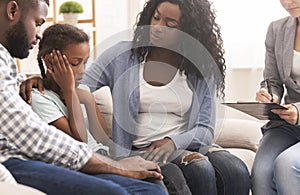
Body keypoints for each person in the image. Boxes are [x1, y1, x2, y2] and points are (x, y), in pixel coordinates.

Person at [20, 0, 251, 194]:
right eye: (156, 17)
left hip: (186, 144)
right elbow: (78, 80)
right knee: (200, 169)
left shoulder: (199, 67)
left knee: (234, 168)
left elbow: (205, 129)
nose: (158, 27)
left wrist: (173, 141)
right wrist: (39, 77)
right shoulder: (123, 55)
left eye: (170, 24)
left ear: (188, 30)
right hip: (140, 148)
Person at [0, 0, 167, 194]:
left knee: (152, 186)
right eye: (37, 23)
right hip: (15, 159)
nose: (38, 34)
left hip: (36, 156)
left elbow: (103, 139)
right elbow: (30, 132)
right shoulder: (40, 98)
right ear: (12, 11)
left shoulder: (8, 64)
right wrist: (116, 166)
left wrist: (30, 79)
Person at [31, 23, 110, 155]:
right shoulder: (39, 98)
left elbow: (102, 139)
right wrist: (70, 92)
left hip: (104, 156)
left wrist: (89, 100)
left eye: (85, 62)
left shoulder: (81, 90)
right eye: (75, 63)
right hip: (86, 163)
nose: (82, 71)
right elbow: (80, 140)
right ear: (50, 61)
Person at [252, 0, 300, 194]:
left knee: (286, 164)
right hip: (288, 124)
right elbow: (272, 79)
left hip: (296, 113)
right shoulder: (277, 29)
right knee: (261, 172)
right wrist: (270, 95)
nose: (287, 2)